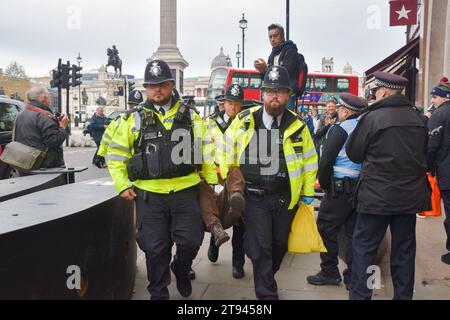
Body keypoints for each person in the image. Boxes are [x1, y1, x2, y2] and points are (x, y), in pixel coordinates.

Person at [107, 59, 205, 300]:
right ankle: (158, 292)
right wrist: (122, 184)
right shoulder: (133, 119)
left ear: (171, 85)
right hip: (149, 195)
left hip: (185, 190)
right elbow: (116, 154)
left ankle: (181, 268)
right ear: (145, 89)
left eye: (161, 84)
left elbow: (206, 149)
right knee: (155, 248)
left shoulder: (190, 116)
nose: (157, 90)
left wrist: (209, 182)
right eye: (152, 86)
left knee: (191, 241)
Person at [222, 65, 318, 300]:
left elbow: (309, 160)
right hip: (254, 196)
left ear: (288, 95)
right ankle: (266, 294)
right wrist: (230, 179)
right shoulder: (245, 120)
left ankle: (262, 269)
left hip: (285, 197)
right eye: (270, 90)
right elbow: (224, 149)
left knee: (279, 245)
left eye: (281, 91)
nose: (275, 96)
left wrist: (307, 194)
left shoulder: (298, 125)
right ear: (262, 93)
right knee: (263, 246)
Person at [346, 71, 430, 300]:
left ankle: (361, 296)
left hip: (375, 198)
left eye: (375, 91)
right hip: (408, 198)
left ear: (382, 91)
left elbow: (353, 153)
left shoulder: (371, 119)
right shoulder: (420, 120)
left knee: (364, 249)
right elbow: (427, 156)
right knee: (404, 252)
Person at [307, 93, 367, 290]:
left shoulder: (340, 129)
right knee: (353, 233)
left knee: (325, 228)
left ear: (345, 111)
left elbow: (326, 161)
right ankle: (353, 276)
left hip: (339, 189)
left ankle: (329, 271)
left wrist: (324, 184)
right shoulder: (365, 128)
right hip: (360, 189)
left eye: (341, 109)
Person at [201, 84, 247, 279]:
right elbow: (205, 149)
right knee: (217, 210)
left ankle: (238, 263)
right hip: (217, 174)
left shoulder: (248, 123)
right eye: (229, 103)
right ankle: (215, 239)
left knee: (240, 221)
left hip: (239, 177)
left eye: (236, 104)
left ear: (241, 106)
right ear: (223, 103)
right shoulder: (211, 123)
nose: (232, 108)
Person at [254, 23, 306, 111]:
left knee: (286, 120)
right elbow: (268, 78)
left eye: (275, 36)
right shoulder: (272, 54)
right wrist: (262, 71)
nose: (272, 39)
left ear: (282, 36)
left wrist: (267, 68)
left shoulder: (290, 52)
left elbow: (285, 73)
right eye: (270, 37)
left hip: (287, 93)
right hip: (273, 92)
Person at [426, 77, 450, 265]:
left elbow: (431, 146)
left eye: (434, 97)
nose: (432, 100)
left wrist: (428, 167)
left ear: (443, 98)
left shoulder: (439, 115)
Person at [14, 85, 68, 168]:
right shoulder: (45, 117)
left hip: (24, 162)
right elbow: (54, 141)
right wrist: (62, 126)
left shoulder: (21, 115)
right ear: (44, 97)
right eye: (49, 96)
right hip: (45, 166)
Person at [95, 89, 144, 168]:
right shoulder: (149, 118)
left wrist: (100, 154)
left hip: (124, 164)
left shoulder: (120, 119)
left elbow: (106, 138)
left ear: (128, 104)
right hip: (133, 163)